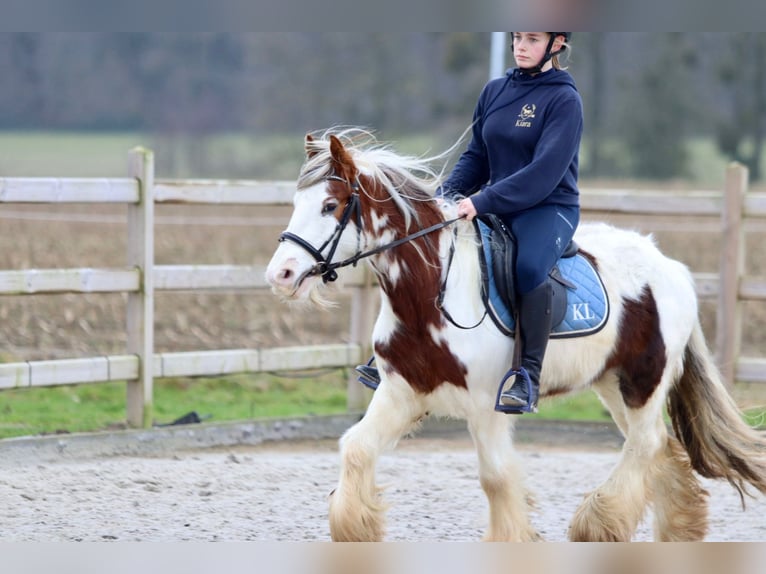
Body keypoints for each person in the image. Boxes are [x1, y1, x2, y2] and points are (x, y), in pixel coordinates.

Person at [356, 32, 583, 415]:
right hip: (496, 203)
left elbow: (543, 173)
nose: (520, 46)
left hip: (548, 206)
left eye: (531, 39)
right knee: (431, 248)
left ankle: (526, 375)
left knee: (528, 267)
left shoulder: (564, 100)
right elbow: (476, 156)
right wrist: (441, 200)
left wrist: (482, 200)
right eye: (516, 37)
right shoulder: (495, 91)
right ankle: (400, 353)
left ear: (557, 43)